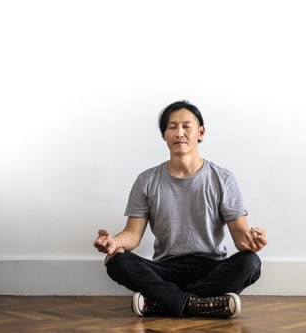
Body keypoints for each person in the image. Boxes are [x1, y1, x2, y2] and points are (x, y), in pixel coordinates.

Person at [93, 100, 267, 318]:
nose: (179, 133)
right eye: (172, 127)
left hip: (211, 267)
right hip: (166, 269)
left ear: (201, 132)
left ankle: (165, 301)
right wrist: (113, 243)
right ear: (164, 135)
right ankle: (202, 303)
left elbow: (241, 236)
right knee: (116, 260)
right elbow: (132, 234)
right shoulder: (147, 180)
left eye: (186, 126)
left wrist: (252, 241)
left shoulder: (223, 179)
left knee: (250, 262)